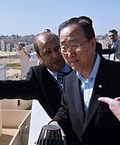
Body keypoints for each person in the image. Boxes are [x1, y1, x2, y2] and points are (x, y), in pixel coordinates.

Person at [50, 17, 120, 145]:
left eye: (74, 45)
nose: (69, 53)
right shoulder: (69, 80)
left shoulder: (117, 74)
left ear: (92, 43)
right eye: (64, 47)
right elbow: (66, 109)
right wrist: (56, 122)